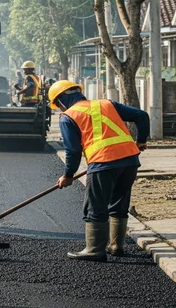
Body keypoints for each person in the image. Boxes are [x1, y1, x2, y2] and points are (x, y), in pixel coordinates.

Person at [49, 80, 149, 262]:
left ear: (61, 100)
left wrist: (68, 175)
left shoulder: (68, 116)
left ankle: (94, 249)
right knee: (119, 203)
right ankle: (116, 246)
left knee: (95, 206)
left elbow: (72, 150)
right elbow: (141, 115)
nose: (59, 109)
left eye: (57, 105)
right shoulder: (106, 103)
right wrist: (141, 141)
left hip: (103, 163)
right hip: (130, 161)